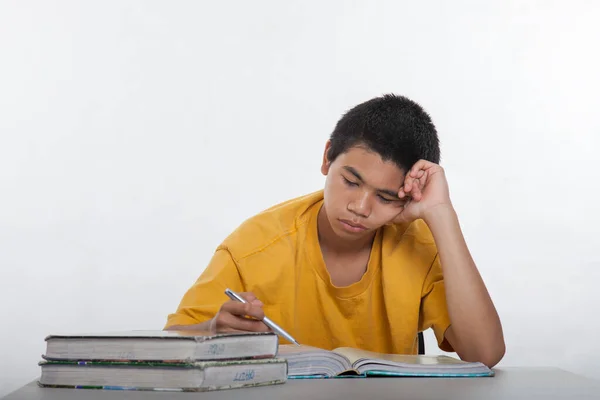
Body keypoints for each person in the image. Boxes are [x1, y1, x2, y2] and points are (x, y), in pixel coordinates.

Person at [164, 94, 505, 368]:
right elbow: (168, 344)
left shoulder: (417, 244)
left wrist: (441, 214)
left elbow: (485, 354)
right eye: (350, 182)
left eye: (386, 197)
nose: (360, 207)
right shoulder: (253, 247)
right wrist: (209, 331)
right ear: (328, 157)